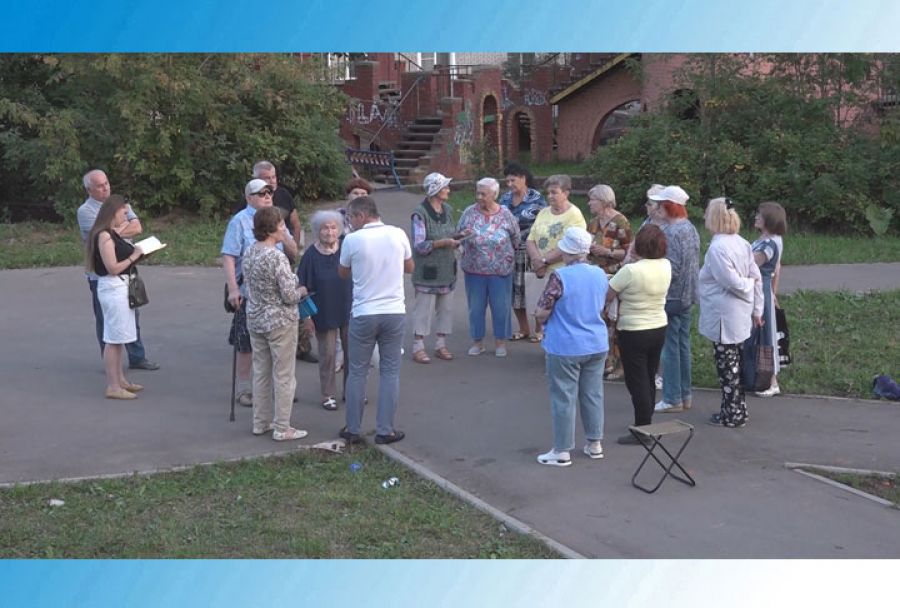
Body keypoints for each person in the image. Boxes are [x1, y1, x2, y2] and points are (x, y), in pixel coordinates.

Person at [338, 195, 413, 445]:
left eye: (350, 219)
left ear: (361, 215)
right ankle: (385, 429)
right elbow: (410, 267)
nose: (349, 224)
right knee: (390, 371)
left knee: (357, 371)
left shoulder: (352, 240)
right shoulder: (398, 233)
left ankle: (353, 429)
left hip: (364, 312)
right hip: (394, 310)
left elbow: (343, 272)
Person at [533, 227, 610, 467]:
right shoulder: (600, 274)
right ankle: (594, 443)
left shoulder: (561, 277)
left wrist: (540, 320)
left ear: (568, 253)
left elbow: (542, 310)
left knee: (563, 397)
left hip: (565, 344)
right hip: (596, 342)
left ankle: (562, 449)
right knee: (593, 393)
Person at [223, 178, 299, 407]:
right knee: (246, 341)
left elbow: (293, 252)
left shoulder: (278, 219)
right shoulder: (239, 221)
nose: (267, 196)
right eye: (261, 193)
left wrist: (284, 234)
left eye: (269, 192)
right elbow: (228, 256)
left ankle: (280, 389)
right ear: (249, 198)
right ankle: (245, 388)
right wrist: (233, 289)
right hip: (250, 291)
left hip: (277, 293)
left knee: (277, 344)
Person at [77, 169, 159, 371]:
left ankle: (137, 357)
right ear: (89, 190)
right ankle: (111, 365)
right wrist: (118, 229)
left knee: (132, 312)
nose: (105, 188)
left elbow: (137, 227)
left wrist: (116, 230)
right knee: (105, 318)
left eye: (107, 183)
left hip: (126, 270)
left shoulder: (117, 203)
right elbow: (103, 233)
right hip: (102, 274)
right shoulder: (85, 211)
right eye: (100, 186)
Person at [243, 207, 308, 441]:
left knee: (260, 372)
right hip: (280, 321)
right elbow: (290, 295)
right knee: (284, 375)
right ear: (272, 229)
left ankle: (260, 422)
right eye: (281, 225)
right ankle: (282, 427)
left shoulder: (250, 252)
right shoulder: (276, 257)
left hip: (256, 317)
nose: (285, 229)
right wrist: (301, 289)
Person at [698, 198, 763, 428]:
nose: (704, 216)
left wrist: (747, 285)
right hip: (738, 313)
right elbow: (755, 278)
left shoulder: (718, 248)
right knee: (734, 364)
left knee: (727, 367)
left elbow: (732, 281)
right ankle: (736, 409)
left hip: (724, 315)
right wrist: (756, 308)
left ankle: (732, 413)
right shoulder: (742, 243)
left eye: (707, 212)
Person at [606, 224, 671, 444]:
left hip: (633, 329)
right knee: (649, 377)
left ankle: (642, 429)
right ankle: (646, 421)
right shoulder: (665, 265)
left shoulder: (630, 271)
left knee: (636, 381)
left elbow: (609, 293)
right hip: (658, 325)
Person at [83, 195, 146, 399]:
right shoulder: (104, 236)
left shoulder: (112, 233)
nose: (126, 217)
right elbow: (112, 267)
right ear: (113, 212)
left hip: (122, 285)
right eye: (124, 213)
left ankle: (120, 380)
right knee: (113, 337)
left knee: (120, 336)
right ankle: (113, 385)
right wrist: (134, 256)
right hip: (113, 286)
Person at [650, 185, 701, 415]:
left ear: (669, 207)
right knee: (682, 345)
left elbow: (673, 268)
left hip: (671, 296)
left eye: (661, 204)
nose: (658, 207)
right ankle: (684, 394)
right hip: (688, 295)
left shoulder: (670, 233)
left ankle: (671, 398)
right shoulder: (690, 228)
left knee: (669, 348)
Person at [457, 177, 520, 357]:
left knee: (501, 307)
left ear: (494, 194)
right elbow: (457, 235)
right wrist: (462, 235)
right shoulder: (469, 212)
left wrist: (505, 256)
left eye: (483, 194)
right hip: (474, 269)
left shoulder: (505, 213)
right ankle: (478, 342)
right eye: (477, 193)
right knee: (475, 307)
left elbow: (516, 238)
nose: (479, 197)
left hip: (501, 270)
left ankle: (500, 342)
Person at [297, 210, 352, 411]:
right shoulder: (310, 256)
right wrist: (306, 318)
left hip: (349, 309)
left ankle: (352, 391)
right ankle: (328, 394)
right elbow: (301, 288)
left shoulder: (347, 248)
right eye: (325, 228)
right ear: (317, 231)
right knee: (327, 355)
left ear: (339, 229)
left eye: (333, 227)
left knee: (352, 354)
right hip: (323, 313)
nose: (329, 232)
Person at [526, 174, 587, 342]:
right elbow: (531, 238)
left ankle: (559, 350)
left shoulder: (574, 215)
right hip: (542, 271)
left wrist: (544, 261)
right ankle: (548, 349)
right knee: (542, 313)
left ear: (566, 193)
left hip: (562, 272)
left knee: (560, 315)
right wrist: (536, 260)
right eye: (548, 193)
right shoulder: (544, 212)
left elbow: (570, 244)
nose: (550, 196)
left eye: (554, 192)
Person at [410, 172, 460, 364]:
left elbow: (450, 232)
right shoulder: (420, 213)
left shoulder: (447, 209)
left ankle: (441, 344)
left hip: (447, 268)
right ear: (435, 190)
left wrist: (459, 236)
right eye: (445, 187)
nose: (448, 189)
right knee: (423, 309)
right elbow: (420, 245)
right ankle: (418, 347)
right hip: (427, 271)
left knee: (446, 308)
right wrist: (444, 242)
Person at [585, 184, 633, 379]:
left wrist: (607, 252)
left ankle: (618, 364)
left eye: (592, 200)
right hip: (596, 274)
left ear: (604, 201)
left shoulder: (620, 222)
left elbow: (629, 251)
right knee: (599, 319)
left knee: (614, 320)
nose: (589, 203)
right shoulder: (594, 223)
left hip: (615, 275)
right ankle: (603, 362)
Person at [499, 162, 547, 340]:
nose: (510, 184)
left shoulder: (536, 198)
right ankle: (523, 328)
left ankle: (539, 329)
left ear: (523, 178)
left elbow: (541, 225)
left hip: (530, 250)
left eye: (513, 180)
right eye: (507, 181)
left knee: (533, 288)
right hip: (510, 251)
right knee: (516, 291)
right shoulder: (504, 199)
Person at [750, 201, 788, 397]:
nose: (756, 217)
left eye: (760, 215)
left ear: (769, 220)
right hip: (763, 288)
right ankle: (755, 376)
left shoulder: (769, 244)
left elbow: (750, 264)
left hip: (760, 289)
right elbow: (778, 268)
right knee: (760, 333)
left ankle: (771, 380)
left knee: (766, 333)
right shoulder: (768, 239)